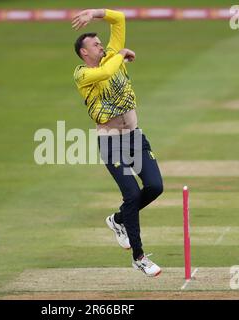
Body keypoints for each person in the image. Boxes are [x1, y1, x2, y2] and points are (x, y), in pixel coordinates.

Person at [72, 8, 164, 277]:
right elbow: (104, 74)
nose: (101, 46)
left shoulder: (112, 55)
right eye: (95, 44)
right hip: (111, 144)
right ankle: (139, 257)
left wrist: (95, 13)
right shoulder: (82, 75)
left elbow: (120, 19)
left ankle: (118, 220)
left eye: (101, 42)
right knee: (132, 195)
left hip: (135, 138)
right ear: (84, 53)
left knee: (155, 186)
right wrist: (121, 54)